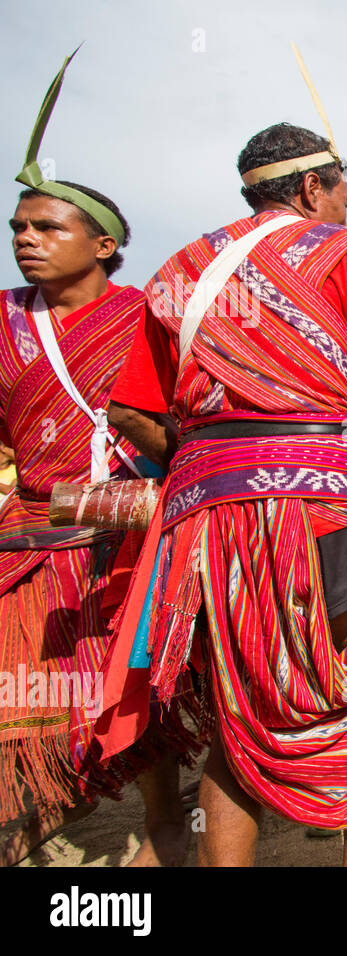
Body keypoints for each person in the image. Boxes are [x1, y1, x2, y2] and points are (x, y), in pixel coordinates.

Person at [103, 122, 347, 866]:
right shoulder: (346, 250)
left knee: (246, 707)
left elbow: (129, 412)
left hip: (206, 520)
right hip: (323, 511)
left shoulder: (182, 265)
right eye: (344, 190)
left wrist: (214, 461)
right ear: (313, 187)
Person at [1, 54, 192, 868]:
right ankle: (28, 818)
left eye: (48, 227)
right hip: (31, 531)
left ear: (105, 244)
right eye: (17, 229)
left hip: (130, 528)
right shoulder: (3, 320)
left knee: (133, 694)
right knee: (24, 692)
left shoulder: (152, 318)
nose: (26, 241)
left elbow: (185, 421)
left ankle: (161, 826)